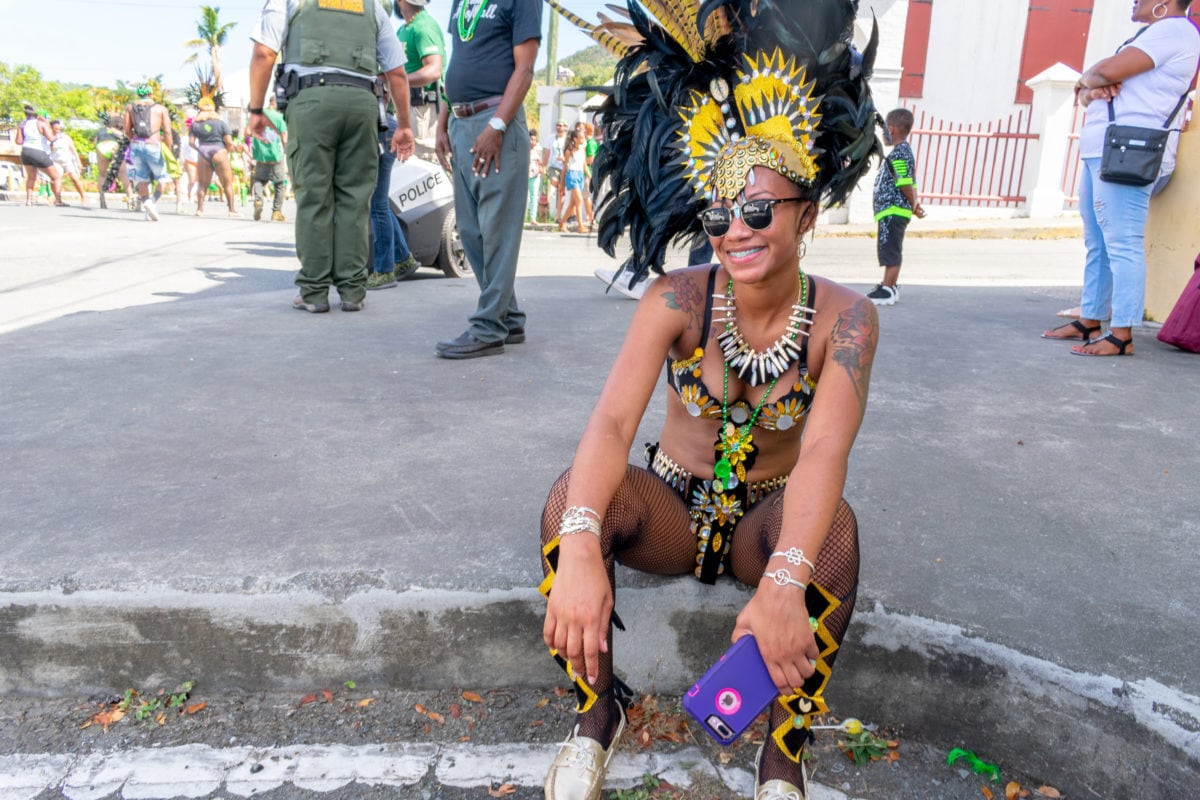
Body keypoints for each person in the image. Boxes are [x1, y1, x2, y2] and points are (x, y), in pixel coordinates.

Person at [537, 0, 881, 798]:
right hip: (670, 510)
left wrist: (789, 580)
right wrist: (584, 546)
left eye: (760, 210)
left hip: (769, 525)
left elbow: (826, 450)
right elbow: (613, 421)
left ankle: (782, 755)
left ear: (811, 211)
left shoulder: (848, 321)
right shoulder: (676, 300)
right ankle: (598, 716)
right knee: (568, 505)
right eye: (721, 214)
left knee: (837, 536)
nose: (736, 231)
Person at [1042, 0, 1200, 356]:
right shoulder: (1149, 34)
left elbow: (1106, 71)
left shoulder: (1175, 31)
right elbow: (1090, 91)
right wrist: (1088, 85)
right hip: (1105, 147)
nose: (1134, 1)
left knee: (1122, 243)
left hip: (1129, 148)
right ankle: (1091, 317)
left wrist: (1089, 78)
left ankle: (1122, 333)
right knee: (1097, 240)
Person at [248, 0, 414, 314]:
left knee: (315, 196)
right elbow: (397, 73)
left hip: (311, 102)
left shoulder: (289, 2)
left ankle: (314, 292)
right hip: (362, 104)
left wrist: (256, 109)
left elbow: (263, 53)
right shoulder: (372, 8)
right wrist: (404, 124)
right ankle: (353, 290)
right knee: (355, 198)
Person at [433, 0, 541, 357]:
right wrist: (443, 118)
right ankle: (508, 317)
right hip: (461, 122)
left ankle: (488, 327)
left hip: (496, 121)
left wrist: (498, 124)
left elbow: (524, 69)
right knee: (471, 231)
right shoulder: (461, 3)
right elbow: (457, 61)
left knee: (497, 231)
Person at [866, 108, 925, 306]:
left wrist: (914, 203)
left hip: (893, 211)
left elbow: (904, 182)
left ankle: (887, 290)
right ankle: (888, 285)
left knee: (890, 250)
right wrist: (914, 204)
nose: (883, 134)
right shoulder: (903, 152)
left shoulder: (900, 153)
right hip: (893, 211)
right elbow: (910, 182)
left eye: (884, 130)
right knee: (889, 247)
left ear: (892, 129)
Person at [367, 80, 421, 290]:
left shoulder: (377, 62)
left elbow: (386, 89)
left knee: (377, 205)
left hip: (381, 128)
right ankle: (402, 257)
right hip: (387, 127)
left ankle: (384, 271)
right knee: (380, 203)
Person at [394, 0, 445, 162]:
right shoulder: (403, 30)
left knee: (429, 165)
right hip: (408, 110)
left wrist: (398, 81)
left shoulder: (424, 25)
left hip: (424, 112)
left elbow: (434, 69)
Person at [123, 84, 173, 222]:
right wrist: (169, 149)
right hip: (154, 144)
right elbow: (168, 131)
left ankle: (147, 203)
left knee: (142, 179)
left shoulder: (130, 108)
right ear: (151, 94)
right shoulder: (160, 109)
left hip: (136, 145)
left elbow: (127, 130)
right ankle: (152, 203)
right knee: (162, 178)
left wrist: (133, 140)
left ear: (138, 94)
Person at [189, 99, 240, 218]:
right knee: (227, 183)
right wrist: (225, 152)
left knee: (202, 184)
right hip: (219, 150)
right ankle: (231, 210)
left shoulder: (195, 125)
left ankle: (200, 209)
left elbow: (191, 143)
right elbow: (229, 142)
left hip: (203, 151)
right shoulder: (221, 124)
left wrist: (199, 150)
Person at [16, 104, 63, 207]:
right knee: (56, 177)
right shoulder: (41, 124)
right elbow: (51, 138)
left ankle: (28, 201)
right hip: (39, 152)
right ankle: (58, 200)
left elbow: (18, 141)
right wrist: (56, 136)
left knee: (31, 177)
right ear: (37, 115)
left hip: (26, 151)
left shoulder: (22, 124)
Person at [251, 97, 289, 223]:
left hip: (261, 155)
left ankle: (258, 200)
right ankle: (276, 212)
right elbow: (284, 139)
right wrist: (287, 153)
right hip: (275, 155)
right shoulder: (279, 118)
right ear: (275, 103)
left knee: (259, 180)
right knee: (279, 184)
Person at [95, 115, 133, 211]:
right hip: (113, 145)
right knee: (123, 174)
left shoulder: (101, 130)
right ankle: (130, 199)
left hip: (101, 146)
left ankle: (102, 198)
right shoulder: (117, 131)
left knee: (102, 174)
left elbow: (95, 142)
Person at [49, 120, 87, 206]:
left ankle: (83, 196)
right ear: (51, 129)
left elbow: (73, 149)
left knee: (74, 178)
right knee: (54, 180)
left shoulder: (65, 137)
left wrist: (78, 161)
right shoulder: (49, 138)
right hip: (56, 161)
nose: (58, 130)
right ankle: (58, 199)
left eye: (59, 128)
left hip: (67, 161)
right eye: (55, 129)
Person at [557, 129, 587, 234]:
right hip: (572, 175)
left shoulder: (583, 150)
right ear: (575, 139)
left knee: (573, 204)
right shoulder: (569, 151)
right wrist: (561, 184)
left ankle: (562, 223)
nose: (584, 139)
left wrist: (591, 177)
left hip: (580, 176)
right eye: (581, 137)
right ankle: (580, 226)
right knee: (579, 200)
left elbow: (585, 166)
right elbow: (564, 168)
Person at [544, 120, 567, 222]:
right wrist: (544, 166)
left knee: (561, 192)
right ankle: (558, 189)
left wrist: (564, 159)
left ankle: (558, 216)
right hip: (553, 166)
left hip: (564, 167)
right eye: (557, 125)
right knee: (555, 182)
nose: (559, 127)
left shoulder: (568, 139)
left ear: (565, 127)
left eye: (561, 126)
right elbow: (547, 153)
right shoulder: (551, 138)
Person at [527, 129, 543, 223]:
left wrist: (541, 169)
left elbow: (540, 161)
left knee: (534, 196)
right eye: (531, 139)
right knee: (525, 197)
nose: (532, 141)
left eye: (534, 140)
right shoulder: (524, 149)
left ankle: (533, 218)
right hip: (525, 174)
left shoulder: (538, 149)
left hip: (535, 175)